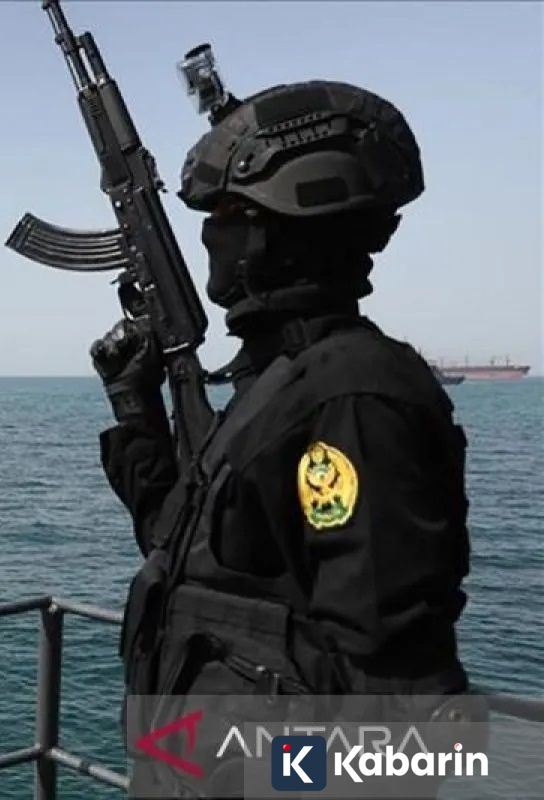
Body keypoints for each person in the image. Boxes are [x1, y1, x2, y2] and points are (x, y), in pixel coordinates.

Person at [90, 80, 475, 796]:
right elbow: (185, 552)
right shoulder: (278, 390)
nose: (210, 236)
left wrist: (240, 772)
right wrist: (136, 409)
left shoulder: (356, 401)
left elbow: (408, 734)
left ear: (282, 231)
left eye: (227, 216)